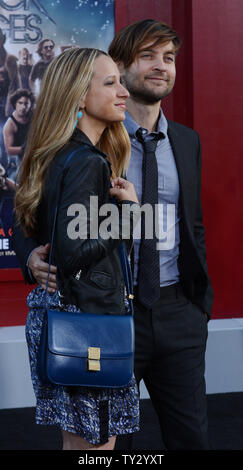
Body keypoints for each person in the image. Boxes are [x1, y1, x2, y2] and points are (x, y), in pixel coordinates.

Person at [13, 19, 214, 450]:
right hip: (105, 313)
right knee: (96, 444)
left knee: (191, 437)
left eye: (170, 57)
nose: (161, 67)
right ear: (120, 69)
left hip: (179, 312)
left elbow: (192, 227)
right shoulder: (91, 143)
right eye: (148, 56)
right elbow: (31, 211)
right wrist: (32, 257)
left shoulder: (187, 141)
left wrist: (201, 307)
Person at [14, 47, 140, 451]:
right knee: (96, 449)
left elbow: (31, 222)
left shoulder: (56, 154)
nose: (123, 92)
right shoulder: (88, 162)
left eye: (121, 81)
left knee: (78, 445)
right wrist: (129, 215)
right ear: (78, 97)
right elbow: (72, 253)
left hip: (62, 317)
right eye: (111, 83)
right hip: (88, 325)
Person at [3, 89, 34, 181]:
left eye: (26, 104)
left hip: (39, 153)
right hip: (23, 157)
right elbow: (9, 150)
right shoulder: (9, 125)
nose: (23, 107)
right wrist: (27, 149)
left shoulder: (34, 115)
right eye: (20, 103)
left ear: (30, 105)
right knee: (24, 182)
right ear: (15, 104)